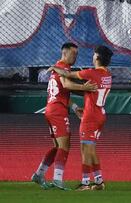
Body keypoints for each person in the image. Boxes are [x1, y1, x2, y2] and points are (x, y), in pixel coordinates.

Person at [31, 42, 97, 190]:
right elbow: (67, 85)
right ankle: (57, 179)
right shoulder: (63, 67)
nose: (75, 57)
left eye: (77, 54)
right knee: (65, 145)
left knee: (56, 147)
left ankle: (39, 174)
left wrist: (74, 107)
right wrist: (83, 87)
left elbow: (62, 92)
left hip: (51, 109)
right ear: (65, 53)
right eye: (73, 54)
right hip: (57, 111)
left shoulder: (59, 67)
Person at [49, 45, 113, 191]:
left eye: (93, 54)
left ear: (97, 57)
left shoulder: (92, 73)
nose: (92, 56)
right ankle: (99, 181)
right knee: (91, 148)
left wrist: (55, 68)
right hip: (100, 114)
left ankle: (85, 183)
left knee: (86, 149)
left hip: (90, 116)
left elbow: (69, 76)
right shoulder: (107, 74)